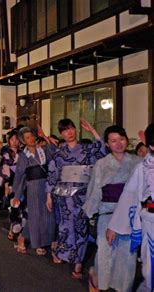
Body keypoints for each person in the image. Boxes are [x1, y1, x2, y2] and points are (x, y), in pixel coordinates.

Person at [46, 118, 106, 279]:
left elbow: (102, 152)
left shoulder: (87, 149)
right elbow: (52, 175)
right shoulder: (59, 154)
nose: (69, 132)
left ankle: (78, 262)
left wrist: (92, 131)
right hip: (64, 198)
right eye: (65, 130)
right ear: (61, 134)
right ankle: (67, 254)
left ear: (75, 129)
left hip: (82, 196)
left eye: (71, 128)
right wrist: (48, 196)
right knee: (65, 227)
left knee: (81, 228)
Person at [83, 125, 141, 291]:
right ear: (107, 144)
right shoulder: (102, 164)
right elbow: (95, 190)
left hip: (130, 216)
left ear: (126, 140)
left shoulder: (137, 162)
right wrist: (91, 212)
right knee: (105, 255)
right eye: (113, 140)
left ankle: (123, 288)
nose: (118, 143)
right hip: (108, 213)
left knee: (127, 257)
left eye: (121, 139)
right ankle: (99, 280)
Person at [107, 122, 154, 292]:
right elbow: (128, 196)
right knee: (151, 268)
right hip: (151, 222)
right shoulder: (143, 168)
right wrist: (114, 225)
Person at [12, 126, 57, 255]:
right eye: (27, 138)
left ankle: (41, 242)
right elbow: (20, 175)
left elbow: (54, 152)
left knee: (47, 216)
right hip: (32, 187)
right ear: (23, 141)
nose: (31, 139)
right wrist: (16, 194)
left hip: (46, 186)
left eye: (31, 136)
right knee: (34, 216)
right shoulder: (23, 155)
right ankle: (23, 238)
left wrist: (45, 137)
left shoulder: (42, 150)